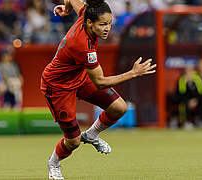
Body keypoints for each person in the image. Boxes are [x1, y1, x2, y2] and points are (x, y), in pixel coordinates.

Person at [41, 0, 156, 179]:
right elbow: (101, 82)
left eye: (109, 23)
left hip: (78, 77)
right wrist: (133, 73)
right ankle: (54, 163)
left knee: (119, 108)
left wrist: (66, 8)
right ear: (89, 23)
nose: (107, 28)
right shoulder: (82, 45)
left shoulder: (86, 14)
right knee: (73, 141)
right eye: (102, 24)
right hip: (57, 87)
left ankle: (92, 134)